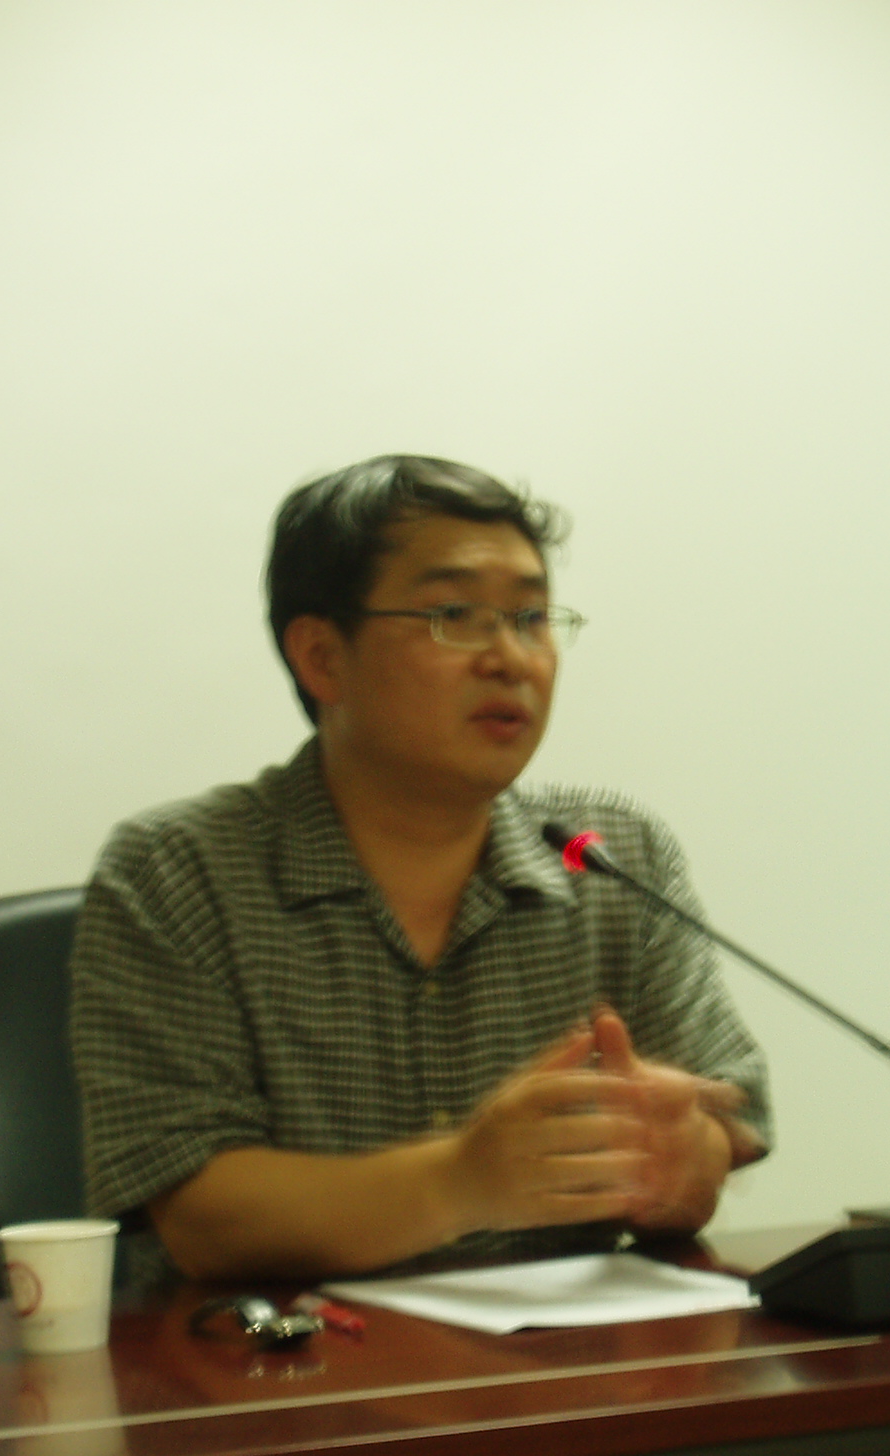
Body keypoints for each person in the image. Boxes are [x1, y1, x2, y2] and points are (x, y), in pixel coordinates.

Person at [69, 455, 769, 1282]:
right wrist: (463, 1180)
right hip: (286, 1356)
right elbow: (199, 1217)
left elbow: (722, 1132)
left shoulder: (614, 856)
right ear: (323, 657)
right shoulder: (179, 873)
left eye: (532, 617)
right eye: (455, 615)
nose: (512, 658)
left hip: (567, 1349)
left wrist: (677, 1157)